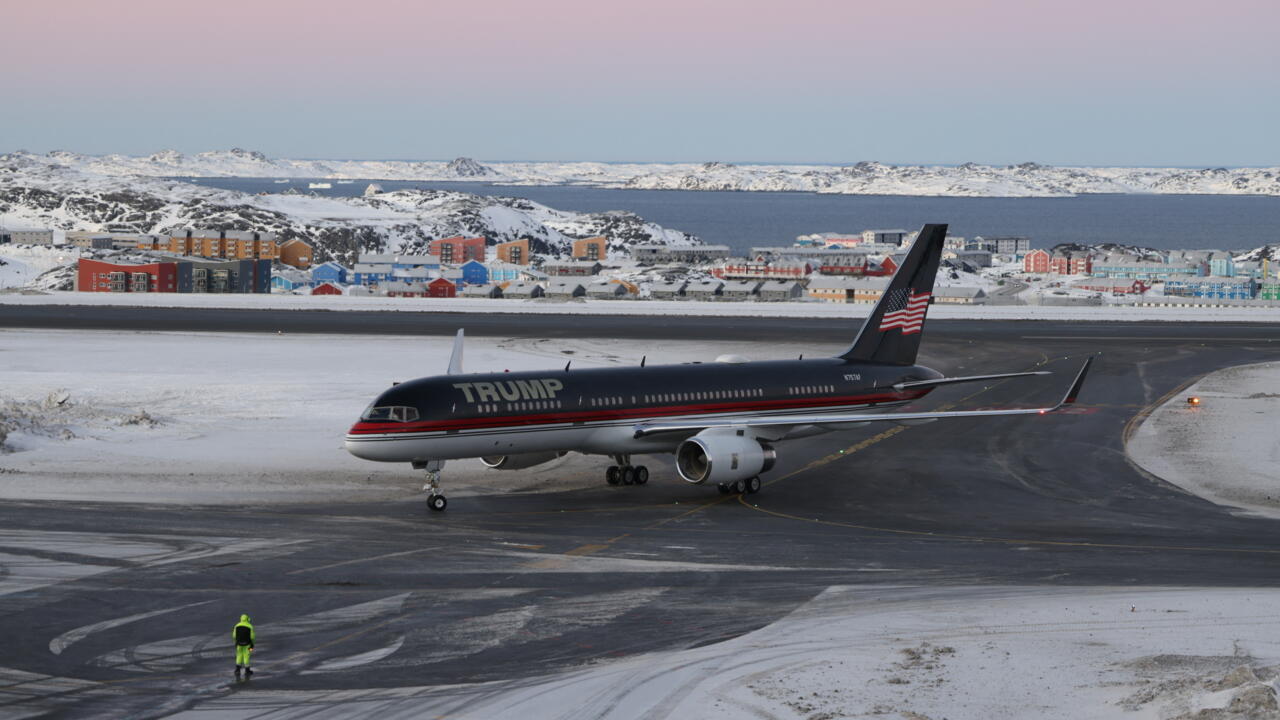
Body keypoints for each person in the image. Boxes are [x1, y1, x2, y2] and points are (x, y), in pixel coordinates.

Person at [233, 614, 255, 678]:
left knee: (239, 655)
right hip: (247, 644)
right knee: (246, 656)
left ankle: (237, 670)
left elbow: (234, 636)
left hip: (238, 644)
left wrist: (236, 642)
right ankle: (247, 670)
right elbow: (252, 637)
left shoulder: (237, 625)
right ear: (247, 619)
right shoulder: (250, 626)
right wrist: (252, 645)